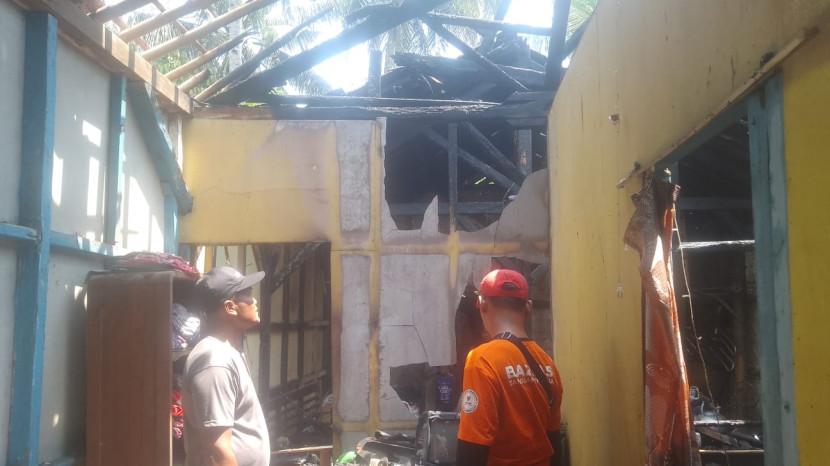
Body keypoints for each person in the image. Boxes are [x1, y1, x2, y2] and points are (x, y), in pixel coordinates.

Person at [457, 269, 564, 466]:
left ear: (482, 304)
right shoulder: (548, 364)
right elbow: (554, 439)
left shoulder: (481, 360)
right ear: (528, 307)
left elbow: (472, 447)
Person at [183, 266, 270, 466]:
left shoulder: (227, 352)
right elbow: (217, 450)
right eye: (248, 295)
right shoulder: (215, 360)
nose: (255, 301)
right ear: (230, 307)